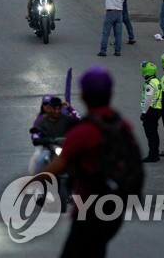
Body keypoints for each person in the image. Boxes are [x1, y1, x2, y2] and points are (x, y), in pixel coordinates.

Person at [42, 66, 141, 258]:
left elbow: (57, 167)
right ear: (111, 93)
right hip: (116, 208)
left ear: (83, 96)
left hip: (89, 212)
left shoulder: (84, 131)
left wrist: (30, 182)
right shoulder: (122, 124)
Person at [29, 95, 74, 174]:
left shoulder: (66, 119)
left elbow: (79, 122)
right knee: (39, 160)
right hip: (49, 148)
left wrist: (70, 108)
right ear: (51, 108)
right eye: (54, 108)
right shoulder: (41, 121)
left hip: (65, 147)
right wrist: (37, 139)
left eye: (58, 109)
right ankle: (36, 182)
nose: (56, 111)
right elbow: (35, 132)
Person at [139, 61, 162, 163]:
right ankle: (155, 154)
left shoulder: (150, 84)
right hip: (157, 109)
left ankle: (152, 156)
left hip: (150, 111)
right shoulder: (157, 81)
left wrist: (144, 112)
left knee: (150, 134)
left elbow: (148, 98)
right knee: (154, 133)